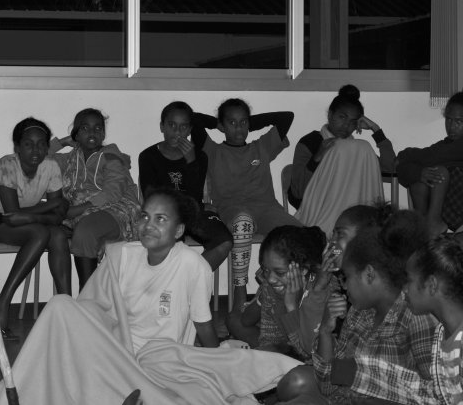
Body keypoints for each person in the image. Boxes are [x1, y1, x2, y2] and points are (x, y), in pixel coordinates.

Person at [0, 189, 302, 405]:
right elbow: (93, 306)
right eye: (144, 216)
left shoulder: (193, 266)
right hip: (117, 350)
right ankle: (26, 387)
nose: (149, 225)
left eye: (160, 219)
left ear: (178, 231)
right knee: (60, 305)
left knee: (181, 373)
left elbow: (203, 326)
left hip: (161, 357)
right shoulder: (121, 255)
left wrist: (209, 363)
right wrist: (95, 337)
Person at [277, 210, 438, 405]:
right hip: (345, 399)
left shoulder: (415, 316)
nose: (344, 286)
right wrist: (325, 332)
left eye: (347, 277)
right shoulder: (358, 312)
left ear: (369, 275)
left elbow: (434, 393)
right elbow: (329, 387)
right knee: (295, 390)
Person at [192, 98, 299, 311]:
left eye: (243, 122)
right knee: (242, 222)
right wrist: (217, 124)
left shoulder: (262, 147)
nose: (238, 128)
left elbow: (287, 117)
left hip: (267, 209)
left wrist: (250, 123)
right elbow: (193, 119)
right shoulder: (212, 151)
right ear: (222, 125)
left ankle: (272, 285)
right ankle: (240, 291)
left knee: (302, 235)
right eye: (232, 123)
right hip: (232, 211)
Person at [341, 234, 463, 404]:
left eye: (409, 281)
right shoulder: (441, 333)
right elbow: (438, 396)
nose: (404, 289)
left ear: (432, 285)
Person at [0, 117, 71, 336]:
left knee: (57, 235)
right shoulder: (6, 166)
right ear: (17, 147)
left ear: (47, 147)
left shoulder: (51, 166)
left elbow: (58, 214)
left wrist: (49, 211)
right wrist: (49, 207)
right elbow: (12, 217)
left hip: (27, 220)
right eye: (28, 144)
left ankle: (67, 307)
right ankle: (3, 301)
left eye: (41, 144)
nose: (35, 150)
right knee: (40, 233)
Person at [51, 108, 141, 289]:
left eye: (98, 128)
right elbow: (37, 157)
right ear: (76, 134)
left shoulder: (111, 156)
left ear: (103, 134)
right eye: (85, 128)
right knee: (52, 228)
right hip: (82, 215)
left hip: (117, 209)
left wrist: (77, 210)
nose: (92, 132)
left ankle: (87, 295)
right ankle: (76, 296)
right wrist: (63, 142)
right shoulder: (69, 159)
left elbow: (112, 192)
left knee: (85, 231)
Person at [290, 84, 396, 236]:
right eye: (342, 117)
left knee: (362, 146)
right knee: (342, 147)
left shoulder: (359, 150)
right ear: (330, 115)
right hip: (319, 214)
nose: (346, 125)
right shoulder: (311, 141)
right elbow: (297, 191)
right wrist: (317, 157)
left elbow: (390, 169)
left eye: (353, 121)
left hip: (354, 217)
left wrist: (376, 130)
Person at [138, 100, 232, 270]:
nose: (177, 132)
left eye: (183, 127)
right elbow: (152, 198)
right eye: (172, 125)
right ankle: (174, 280)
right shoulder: (148, 157)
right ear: (162, 126)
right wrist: (191, 206)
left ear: (190, 130)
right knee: (171, 245)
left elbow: (194, 195)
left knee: (224, 241)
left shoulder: (199, 157)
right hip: (163, 215)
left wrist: (191, 162)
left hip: (193, 213)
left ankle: (188, 278)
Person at [226, 225, 328, 361]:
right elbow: (268, 337)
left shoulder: (319, 291)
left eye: (280, 273)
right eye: (266, 270)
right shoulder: (270, 287)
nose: (271, 279)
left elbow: (309, 351)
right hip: (286, 343)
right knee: (235, 321)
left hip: (312, 351)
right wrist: (266, 298)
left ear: (303, 270)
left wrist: (291, 306)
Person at [397, 90, 463, 236]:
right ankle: (424, 227)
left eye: (459, 121)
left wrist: (404, 154)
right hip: (447, 211)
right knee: (420, 179)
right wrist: (419, 173)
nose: (451, 126)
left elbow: (430, 156)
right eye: (448, 120)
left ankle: (431, 223)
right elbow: (402, 171)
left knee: (439, 172)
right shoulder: (446, 144)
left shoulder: (457, 146)